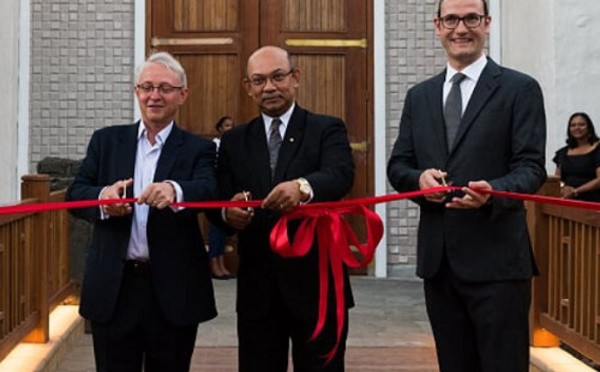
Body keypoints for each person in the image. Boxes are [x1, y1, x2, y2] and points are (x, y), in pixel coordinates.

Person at [386, 0, 547, 371]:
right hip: (440, 264)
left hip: (498, 264)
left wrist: (492, 192)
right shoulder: (419, 96)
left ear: (487, 23)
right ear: (437, 25)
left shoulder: (519, 89)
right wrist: (418, 179)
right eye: (452, 19)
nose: (462, 28)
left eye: (471, 18)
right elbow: (399, 165)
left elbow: (531, 168)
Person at [66, 51, 218, 372]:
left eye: (164, 88)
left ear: (182, 95)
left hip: (173, 290)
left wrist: (175, 190)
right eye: (147, 86)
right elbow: (76, 194)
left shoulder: (198, 148)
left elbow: (209, 189)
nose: (154, 96)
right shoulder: (106, 141)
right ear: (136, 92)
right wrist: (103, 199)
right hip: (115, 289)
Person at [213, 45, 355, 371]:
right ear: (248, 87)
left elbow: (340, 174)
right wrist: (227, 213)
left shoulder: (327, 128)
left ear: (296, 78)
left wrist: (302, 188)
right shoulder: (234, 141)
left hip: (318, 288)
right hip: (258, 293)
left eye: (278, 77)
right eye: (259, 80)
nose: (270, 87)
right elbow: (219, 199)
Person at [208, 115, 235, 279]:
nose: (229, 128)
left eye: (232, 125)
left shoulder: (233, 145)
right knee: (215, 229)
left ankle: (222, 263)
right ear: (220, 128)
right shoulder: (214, 145)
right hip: (215, 191)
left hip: (227, 191)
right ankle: (214, 263)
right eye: (226, 125)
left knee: (224, 230)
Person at [553, 112, 600, 201]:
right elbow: (557, 179)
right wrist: (564, 188)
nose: (577, 128)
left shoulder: (598, 149)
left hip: (593, 202)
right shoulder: (562, 153)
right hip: (568, 201)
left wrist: (575, 191)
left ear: (589, 128)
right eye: (573, 125)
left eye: (581, 125)